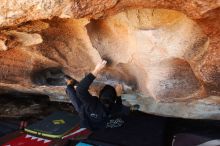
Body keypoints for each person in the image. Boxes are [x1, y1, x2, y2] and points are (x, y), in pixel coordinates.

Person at [65, 60, 139, 131]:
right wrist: (119, 95)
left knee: (74, 97)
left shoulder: (92, 105)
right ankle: (69, 86)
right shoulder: (112, 110)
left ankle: (69, 84)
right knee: (79, 101)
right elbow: (119, 108)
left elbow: (80, 90)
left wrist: (96, 70)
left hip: (85, 114)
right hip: (97, 120)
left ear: (99, 95)